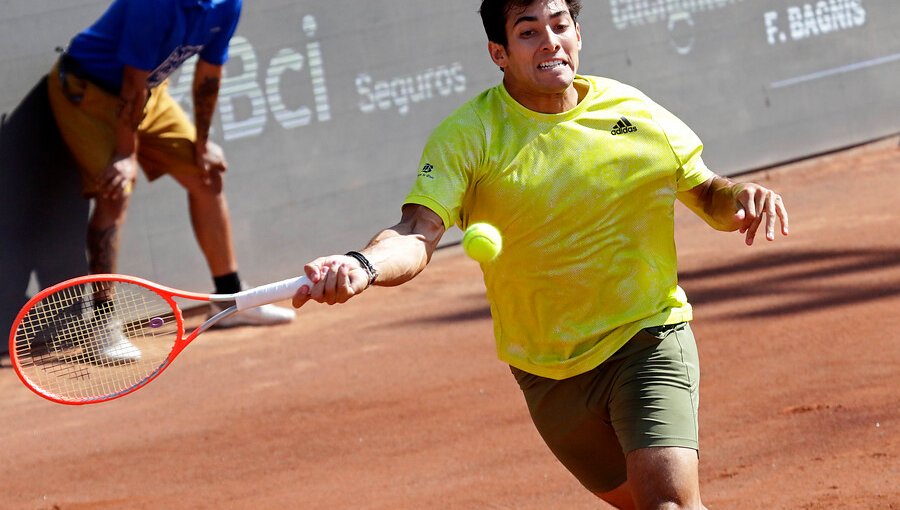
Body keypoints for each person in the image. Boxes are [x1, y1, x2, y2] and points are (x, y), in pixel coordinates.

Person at [290, 0, 789, 508]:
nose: (550, 41)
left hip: (646, 337)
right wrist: (363, 265)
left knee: (669, 504)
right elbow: (418, 232)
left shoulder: (633, 112)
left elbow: (707, 194)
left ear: (578, 35)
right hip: (546, 373)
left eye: (560, 25)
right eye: (528, 32)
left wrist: (742, 196)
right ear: (498, 53)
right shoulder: (470, 135)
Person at [46, 0, 294, 363]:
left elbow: (209, 74)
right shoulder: (154, 4)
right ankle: (102, 326)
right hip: (89, 93)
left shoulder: (228, 4)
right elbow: (131, 80)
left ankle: (228, 301)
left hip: (147, 92)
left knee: (205, 176)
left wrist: (203, 143)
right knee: (115, 193)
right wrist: (125, 155)